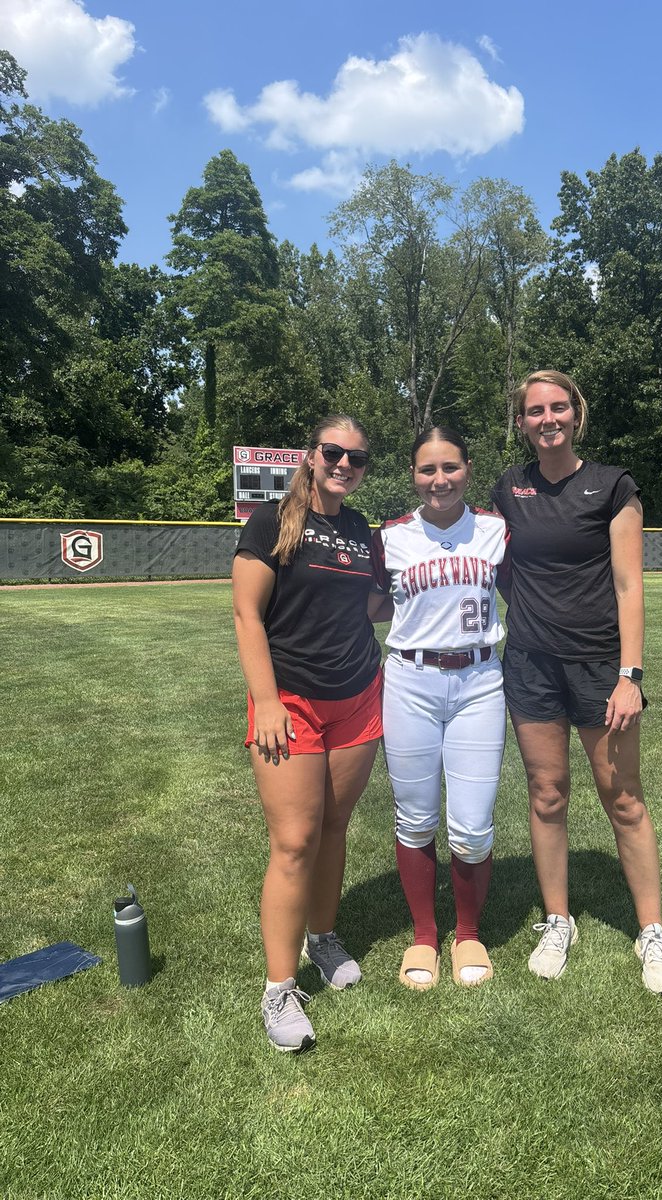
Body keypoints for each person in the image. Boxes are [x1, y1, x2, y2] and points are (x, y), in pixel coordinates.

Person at [491, 370, 662, 994]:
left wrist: (631, 675)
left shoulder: (611, 486)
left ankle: (650, 930)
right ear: (521, 422)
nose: (547, 419)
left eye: (558, 408)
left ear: (576, 414)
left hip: (601, 668)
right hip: (530, 665)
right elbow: (500, 568)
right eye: (534, 411)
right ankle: (557, 919)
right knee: (547, 794)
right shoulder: (508, 488)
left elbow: (630, 586)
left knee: (622, 797)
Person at [232, 415, 384, 1051]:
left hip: (358, 698)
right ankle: (279, 989)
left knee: (333, 829)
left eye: (356, 457)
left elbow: (374, 608)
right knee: (294, 841)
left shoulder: (360, 530)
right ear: (312, 455)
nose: (344, 463)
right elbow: (246, 612)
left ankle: (323, 938)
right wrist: (266, 701)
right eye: (333, 452)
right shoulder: (272, 521)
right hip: (291, 702)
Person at [372, 428, 508, 989]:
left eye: (449, 467)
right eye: (427, 470)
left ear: (467, 469)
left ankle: (468, 931)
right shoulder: (392, 536)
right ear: (413, 475)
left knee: (473, 826)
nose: (439, 480)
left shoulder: (498, 529)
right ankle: (425, 936)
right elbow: (369, 602)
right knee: (415, 818)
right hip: (410, 679)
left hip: (479, 679)